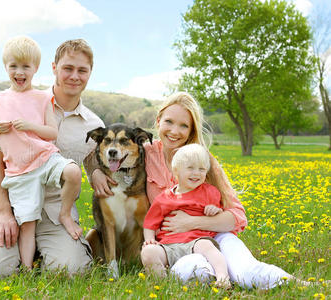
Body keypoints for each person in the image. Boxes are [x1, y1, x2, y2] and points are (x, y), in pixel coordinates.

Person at [89, 91, 306, 289]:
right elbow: (107, 153)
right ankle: (220, 279)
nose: (175, 131)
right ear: (158, 122)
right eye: (169, 122)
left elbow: (237, 216)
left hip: (215, 236)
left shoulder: (202, 160)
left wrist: (193, 222)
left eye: (184, 125)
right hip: (175, 245)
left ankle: (305, 285)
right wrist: (96, 172)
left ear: (192, 129)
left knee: (245, 273)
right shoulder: (143, 154)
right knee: (191, 272)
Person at [0, 39, 104, 276]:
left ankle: (48, 251)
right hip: (14, 204)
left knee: (71, 271)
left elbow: (96, 169)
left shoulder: (94, 125)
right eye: (68, 68)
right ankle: (5, 250)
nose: (74, 76)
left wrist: (100, 174)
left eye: (82, 70)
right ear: (53, 68)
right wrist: (3, 211)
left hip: (55, 215)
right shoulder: (16, 101)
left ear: (90, 73)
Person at [141, 144, 230, 288]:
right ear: (176, 171)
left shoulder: (209, 192)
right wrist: (149, 240)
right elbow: (149, 224)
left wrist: (214, 210)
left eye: (201, 169)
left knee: (208, 246)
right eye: (190, 168)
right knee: (148, 252)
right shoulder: (164, 198)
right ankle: (162, 283)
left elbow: (218, 212)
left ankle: (222, 277)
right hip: (169, 245)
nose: (196, 173)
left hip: (196, 242)